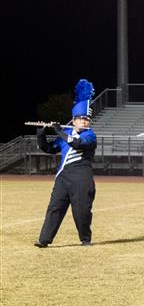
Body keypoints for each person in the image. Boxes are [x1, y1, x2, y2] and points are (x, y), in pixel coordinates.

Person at [34, 79, 98, 248]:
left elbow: (76, 144)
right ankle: (44, 240)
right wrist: (41, 134)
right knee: (55, 207)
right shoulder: (67, 133)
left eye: (86, 119)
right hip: (63, 176)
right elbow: (48, 148)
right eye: (81, 119)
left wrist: (59, 131)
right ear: (74, 120)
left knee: (81, 210)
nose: (84, 122)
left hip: (81, 175)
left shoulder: (90, 135)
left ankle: (85, 239)